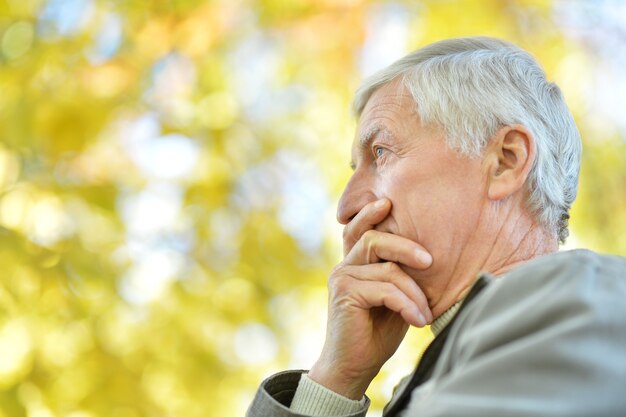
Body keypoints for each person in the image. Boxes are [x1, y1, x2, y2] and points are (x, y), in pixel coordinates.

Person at [246, 37, 626, 417]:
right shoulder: (454, 369)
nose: (347, 209)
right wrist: (336, 380)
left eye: (380, 153)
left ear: (505, 162)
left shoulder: (588, 304)